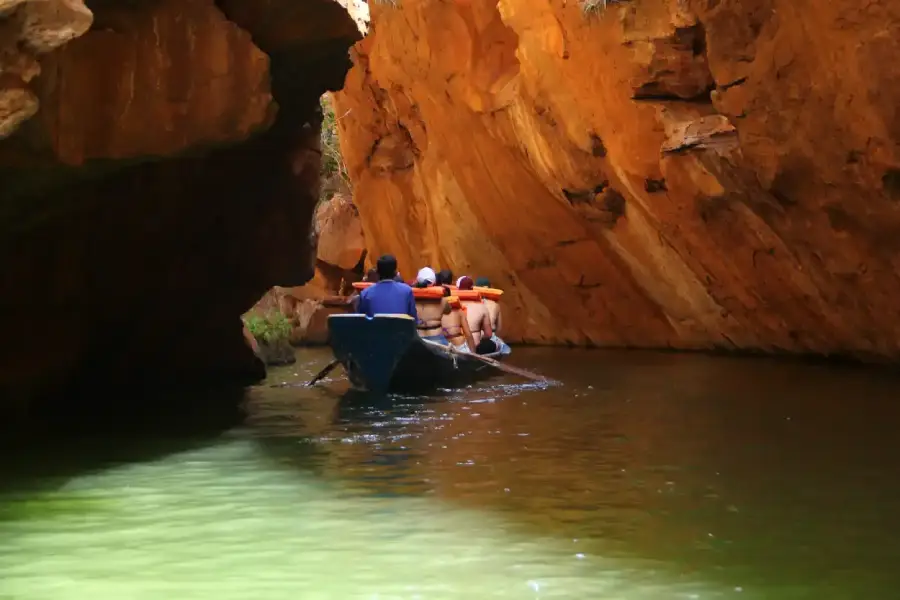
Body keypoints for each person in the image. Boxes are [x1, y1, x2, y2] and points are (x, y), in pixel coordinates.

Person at [357, 255, 417, 319]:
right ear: (396, 272)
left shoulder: (365, 294)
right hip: (400, 328)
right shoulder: (407, 291)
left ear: (377, 272)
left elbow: (360, 322)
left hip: (375, 328)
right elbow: (413, 320)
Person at [413, 267, 452, 345]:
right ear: (434, 283)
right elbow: (448, 311)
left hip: (418, 339)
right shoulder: (442, 300)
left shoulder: (409, 298)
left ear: (417, 281)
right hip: (437, 338)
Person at [456, 276, 494, 353]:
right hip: (475, 347)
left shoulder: (451, 306)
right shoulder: (481, 307)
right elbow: (489, 334)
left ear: (458, 289)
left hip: (456, 347)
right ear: (472, 289)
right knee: (491, 344)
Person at [475, 276, 511, 355]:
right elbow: (499, 328)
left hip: (475, 337)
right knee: (506, 349)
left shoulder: (471, 304)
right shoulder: (495, 305)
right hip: (491, 338)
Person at [440, 285, 477, 351]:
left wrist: (473, 354)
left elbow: (468, 335)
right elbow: (468, 334)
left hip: (446, 348)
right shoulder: (459, 311)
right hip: (456, 346)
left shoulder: (434, 311)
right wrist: (474, 355)